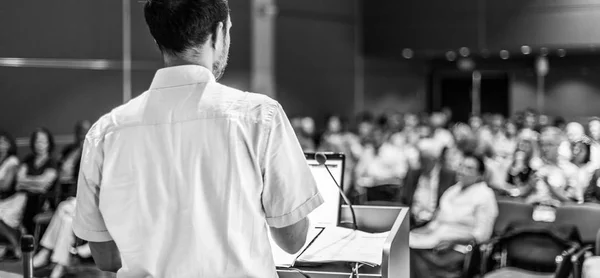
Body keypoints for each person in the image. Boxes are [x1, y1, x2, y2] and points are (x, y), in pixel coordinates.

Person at [72, 1, 323, 277]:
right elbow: (293, 239)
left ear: (159, 38)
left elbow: (105, 257)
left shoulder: (104, 132)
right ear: (218, 34)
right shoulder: (258, 117)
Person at [409, 153, 498, 278]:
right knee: (402, 244)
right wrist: (416, 233)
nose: (462, 171)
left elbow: (482, 235)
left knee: (410, 253)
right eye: (461, 166)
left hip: (459, 247)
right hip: (435, 239)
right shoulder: (452, 190)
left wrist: (452, 241)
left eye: (469, 168)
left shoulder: (485, 195)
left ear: (480, 175)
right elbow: (435, 222)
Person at [0, 131, 24, 258]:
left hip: (11, 199)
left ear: (10, 145)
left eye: (4, 142)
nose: (1, 144)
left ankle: (15, 243)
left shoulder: (12, 161)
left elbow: (6, 185)